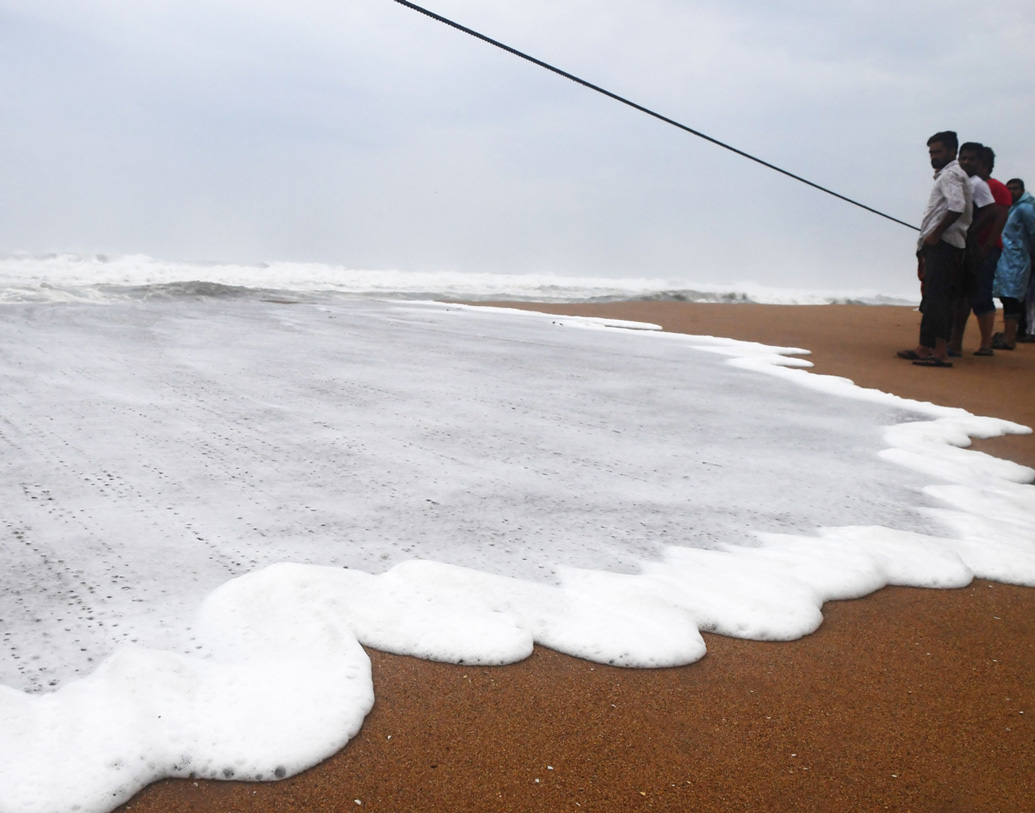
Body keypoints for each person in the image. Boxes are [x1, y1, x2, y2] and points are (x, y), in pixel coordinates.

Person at [898, 131, 972, 367]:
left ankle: (939, 353)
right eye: (931, 152)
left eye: (938, 151)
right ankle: (923, 348)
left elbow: (957, 207)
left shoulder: (951, 175)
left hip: (944, 246)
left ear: (952, 152)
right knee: (932, 298)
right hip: (941, 245)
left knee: (939, 299)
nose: (933, 156)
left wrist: (936, 234)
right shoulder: (947, 175)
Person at [949, 145, 1011, 355]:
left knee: (981, 294)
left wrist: (986, 247)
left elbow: (999, 218)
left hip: (986, 247)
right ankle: (957, 341)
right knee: (965, 294)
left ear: (984, 165)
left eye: (975, 161)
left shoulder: (996, 187)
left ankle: (986, 343)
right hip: (968, 246)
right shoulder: (968, 184)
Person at [991, 179, 1035, 349]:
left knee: (1013, 298)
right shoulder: (1010, 209)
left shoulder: (1025, 208)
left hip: (1018, 259)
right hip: (1005, 259)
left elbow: (1033, 233)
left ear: (1022, 190)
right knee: (1007, 296)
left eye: (1015, 189)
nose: (1011, 192)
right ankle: (1009, 334)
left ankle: (1011, 338)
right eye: (1008, 189)